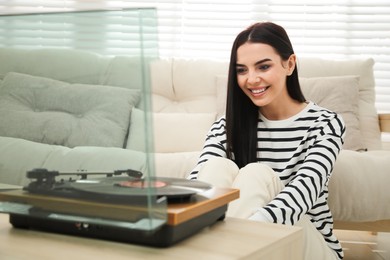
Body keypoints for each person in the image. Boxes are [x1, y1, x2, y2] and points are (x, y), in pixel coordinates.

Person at [188, 22, 345, 260]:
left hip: (307, 247)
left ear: (289, 64)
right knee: (216, 167)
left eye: (263, 66)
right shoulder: (226, 124)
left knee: (256, 174)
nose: (252, 79)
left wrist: (240, 233)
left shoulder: (325, 123)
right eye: (242, 70)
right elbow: (199, 180)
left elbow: (304, 191)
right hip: (241, 249)